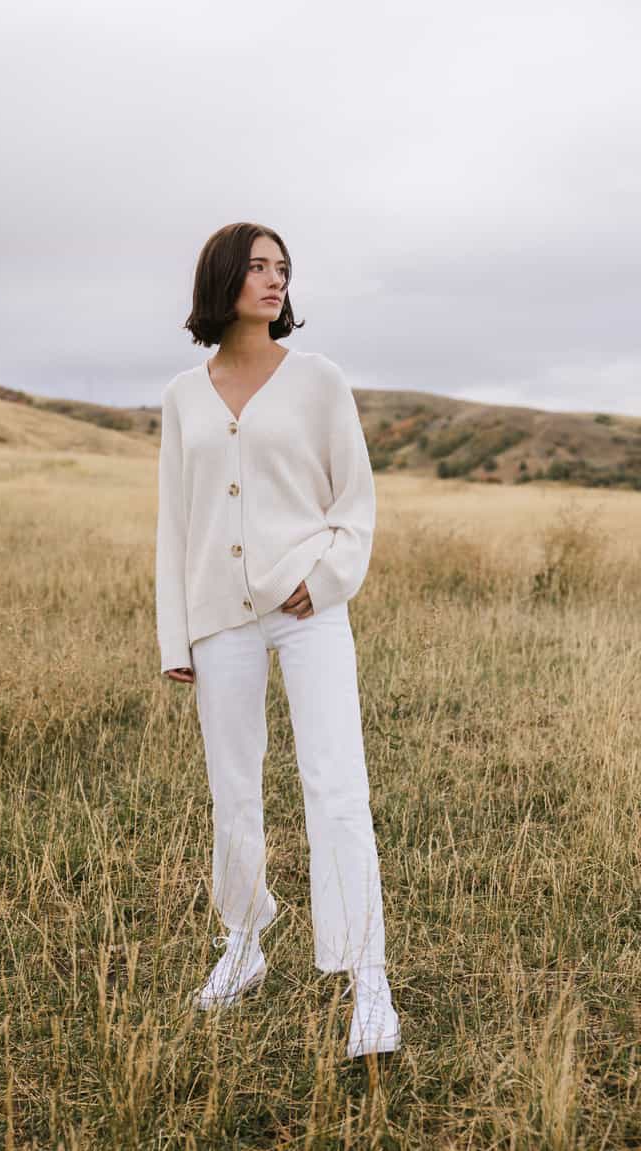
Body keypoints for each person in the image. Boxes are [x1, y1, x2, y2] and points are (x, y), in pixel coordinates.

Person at [155, 221, 400, 1059]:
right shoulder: (185, 396)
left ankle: (368, 974)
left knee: (336, 781)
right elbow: (174, 522)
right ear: (221, 277)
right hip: (216, 611)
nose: (273, 281)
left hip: (307, 606)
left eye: (283, 270)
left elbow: (355, 502)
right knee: (234, 788)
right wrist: (174, 633)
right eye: (257, 266)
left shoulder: (320, 380)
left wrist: (326, 576)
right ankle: (245, 941)